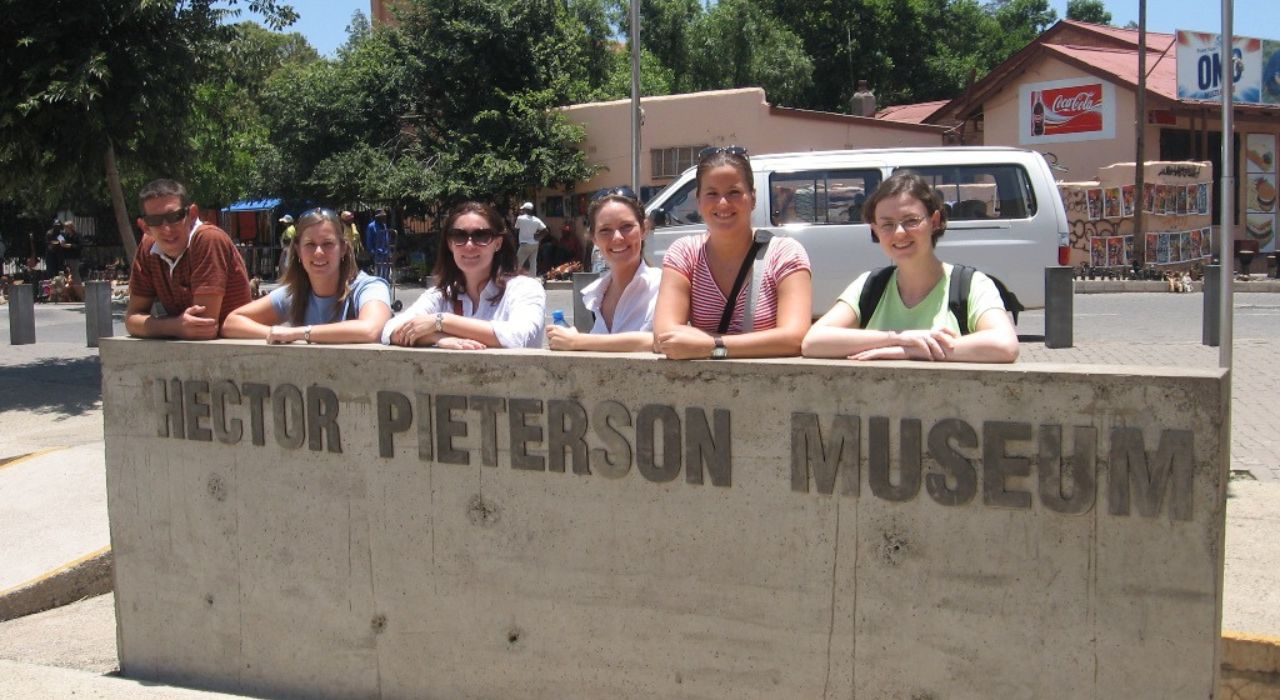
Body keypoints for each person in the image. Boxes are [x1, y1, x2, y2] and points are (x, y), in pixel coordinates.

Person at [801, 171, 1019, 363]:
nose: (899, 233)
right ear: (875, 230)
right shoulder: (869, 285)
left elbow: (1004, 345)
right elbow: (813, 342)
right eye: (887, 224)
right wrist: (897, 338)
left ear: (934, 221)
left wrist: (909, 351)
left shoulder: (971, 285)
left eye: (911, 221)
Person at [652, 147, 812, 360]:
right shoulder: (684, 253)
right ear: (699, 201)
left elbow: (795, 338)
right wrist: (764, 342)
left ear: (753, 198)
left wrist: (710, 346)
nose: (723, 203)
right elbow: (663, 336)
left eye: (734, 192)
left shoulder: (785, 254)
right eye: (712, 194)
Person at [382, 202, 544, 349]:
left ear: (498, 243)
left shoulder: (524, 288)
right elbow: (389, 331)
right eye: (459, 236)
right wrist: (436, 337)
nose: (469, 245)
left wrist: (441, 321)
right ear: (450, 244)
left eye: (481, 236)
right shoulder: (441, 295)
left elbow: (518, 338)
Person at [222, 208, 391, 344]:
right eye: (310, 244)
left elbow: (371, 329)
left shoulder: (370, 287)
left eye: (328, 244)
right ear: (298, 251)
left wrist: (299, 333)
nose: (319, 252)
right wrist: (274, 334)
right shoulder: (293, 294)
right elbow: (232, 323)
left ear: (344, 249)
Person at [124, 178, 252, 339]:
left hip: (235, 348)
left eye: (174, 216)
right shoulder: (147, 247)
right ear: (145, 226)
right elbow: (131, 320)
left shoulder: (208, 239)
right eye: (155, 221)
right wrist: (174, 326)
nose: (166, 228)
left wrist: (163, 326)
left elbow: (203, 326)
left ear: (191, 214)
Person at [546, 192, 661, 352]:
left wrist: (579, 341)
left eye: (626, 227)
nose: (617, 237)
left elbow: (664, 340)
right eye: (605, 230)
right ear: (594, 239)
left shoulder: (663, 286)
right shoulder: (595, 295)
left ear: (643, 230)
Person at [513, 202, 546, 275]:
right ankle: (533, 279)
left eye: (523, 209)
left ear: (526, 210)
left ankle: (515, 279)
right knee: (533, 263)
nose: (522, 211)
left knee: (518, 263)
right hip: (535, 244)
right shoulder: (536, 220)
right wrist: (538, 237)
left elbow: (516, 228)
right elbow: (545, 230)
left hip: (525, 244)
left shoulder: (520, 218)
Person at [366, 209, 394, 282]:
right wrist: (372, 253)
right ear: (378, 217)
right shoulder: (371, 226)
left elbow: (387, 239)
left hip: (386, 253)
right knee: (379, 274)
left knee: (386, 273)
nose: (384, 218)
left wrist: (390, 253)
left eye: (385, 216)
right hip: (377, 254)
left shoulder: (384, 225)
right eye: (383, 217)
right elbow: (369, 240)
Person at [276, 214, 295, 280]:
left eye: (284, 222)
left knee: (285, 265)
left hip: (288, 249)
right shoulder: (291, 228)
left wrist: (283, 241)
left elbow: (290, 240)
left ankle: (287, 278)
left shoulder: (290, 230)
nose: (283, 223)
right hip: (288, 249)